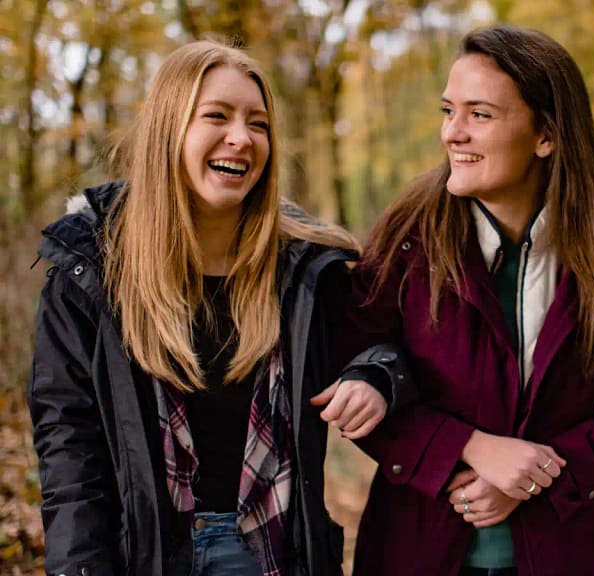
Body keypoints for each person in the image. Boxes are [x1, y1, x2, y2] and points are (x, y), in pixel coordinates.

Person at [28, 40, 412, 576]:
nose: (242, 137)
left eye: (259, 124)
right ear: (169, 129)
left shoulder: (306, 270)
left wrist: (375, 376)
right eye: (217, 116)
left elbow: (388, 346)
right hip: (141, 553)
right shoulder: (90, 267)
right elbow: (69, 446)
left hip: (270, 552)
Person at [326, 24, 594, 576]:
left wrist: (539, 476)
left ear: (546, 136)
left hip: (565, 554)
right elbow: (356, 372)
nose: (453, 133)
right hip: (415, 550)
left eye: (480, 114)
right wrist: (468, 447)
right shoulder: (409, 236)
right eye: (449, 111)